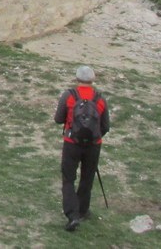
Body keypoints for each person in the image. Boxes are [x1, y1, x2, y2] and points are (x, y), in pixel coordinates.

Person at [54, 65, 110, 232]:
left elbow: (58, 119)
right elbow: (105, 126)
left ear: (77, 78)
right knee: (87, 177)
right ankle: (83, 210)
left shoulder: (69, 96)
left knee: (68, 178)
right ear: (93, 80)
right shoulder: (100, 99)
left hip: (72, 142)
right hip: (93, 145)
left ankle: (72, 214)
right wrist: (94, 137)